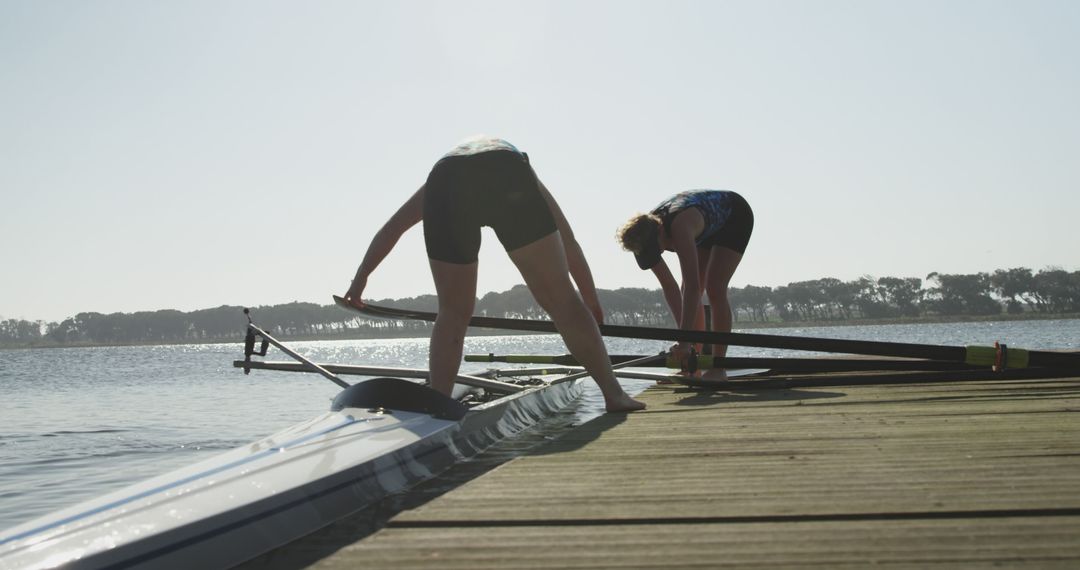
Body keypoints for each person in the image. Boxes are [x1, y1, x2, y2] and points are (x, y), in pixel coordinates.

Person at [343, 136, 645, 413]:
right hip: (505, 171)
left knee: (452, 311)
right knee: (563, 301)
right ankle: (614, 396)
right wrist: (589, 301)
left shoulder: (441, 178)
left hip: (447, 181)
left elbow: (392, 228)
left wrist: (359, 281)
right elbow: (569, 241)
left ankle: (439, 406)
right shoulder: (520, 169)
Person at [615, 190, 754, 380]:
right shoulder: (640, 239)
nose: (655, 255)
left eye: (656, 249)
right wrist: (684, 345)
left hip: (734, 216)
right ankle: (693, 363)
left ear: (660, 232)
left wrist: (684, 340)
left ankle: (718, 366)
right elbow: (670, 287)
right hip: (706, 225)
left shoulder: (680, 228)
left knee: (715, 288)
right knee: (683, 291)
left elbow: (693, 286)